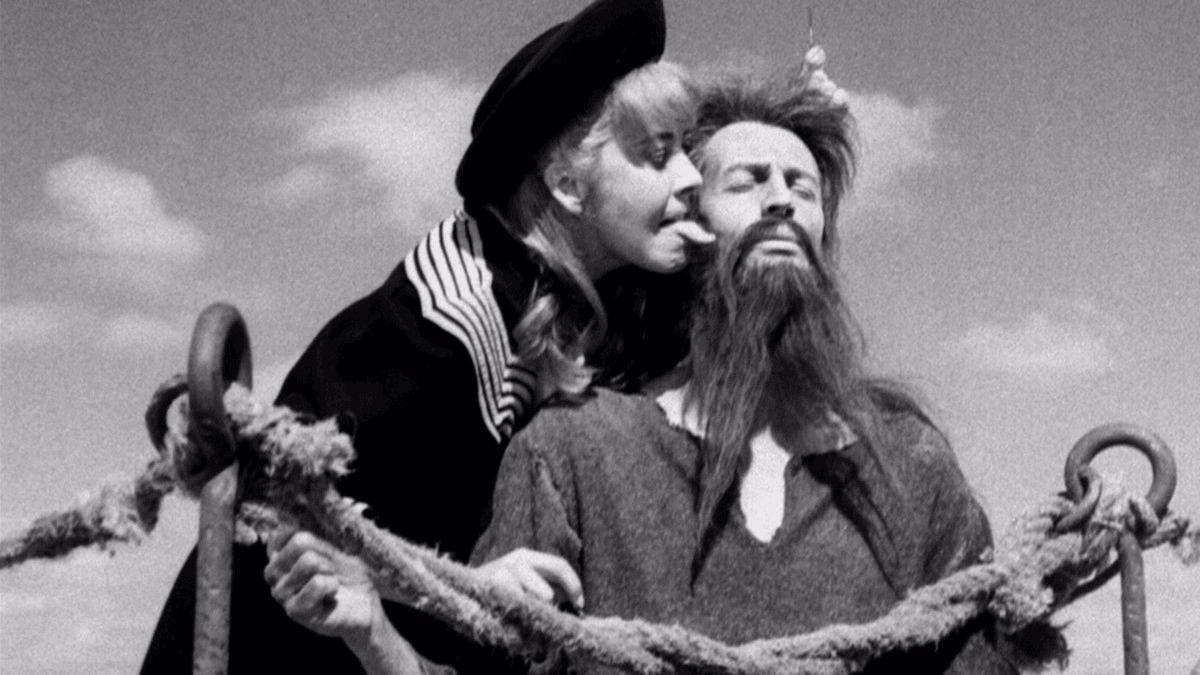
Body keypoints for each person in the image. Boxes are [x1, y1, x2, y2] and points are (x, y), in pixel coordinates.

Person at [265, 67, 1030, 674]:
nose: (781, 201)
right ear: (686, 225)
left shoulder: (911, 465)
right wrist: (375, 633)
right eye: (747, 181)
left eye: (803, 188)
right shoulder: (574, 450)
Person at [140, 1, 711, 672]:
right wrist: (469, 583)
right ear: (567, 185)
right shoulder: (441, 326)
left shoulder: (578, 296)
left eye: (687, 150)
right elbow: (291, 527)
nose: (691, 178)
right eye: (658, 155)